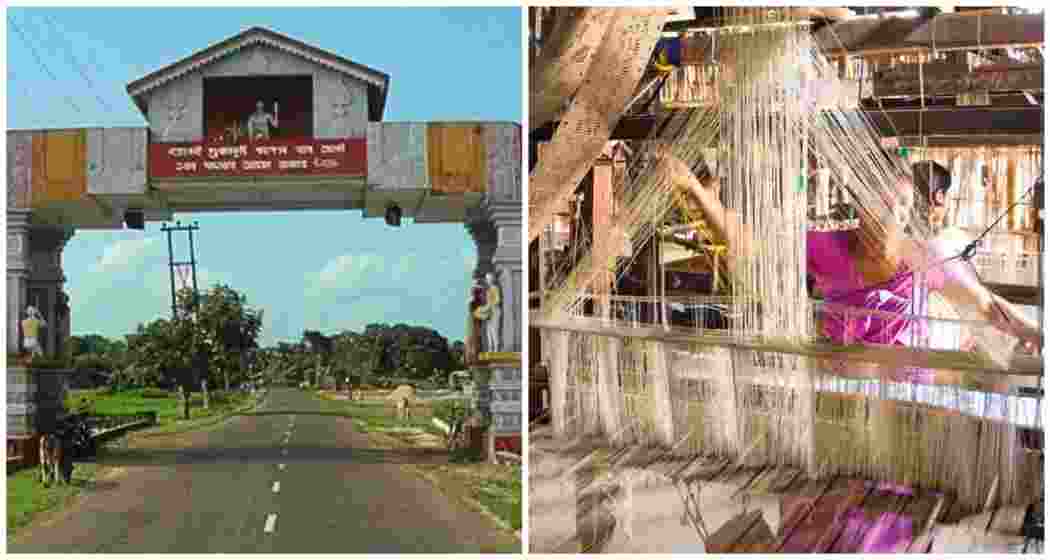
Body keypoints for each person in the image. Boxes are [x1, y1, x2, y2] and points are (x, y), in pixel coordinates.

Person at [659, 153, 1042, 380]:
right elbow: (748, 241)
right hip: (841, 389)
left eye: (902, 208)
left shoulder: (919, 257)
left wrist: (1032, 332)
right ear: (861, 209)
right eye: (884, 205)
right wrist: (696, 192)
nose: (893, 217)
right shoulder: (828, 249)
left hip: (908, 396)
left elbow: (984, 303)